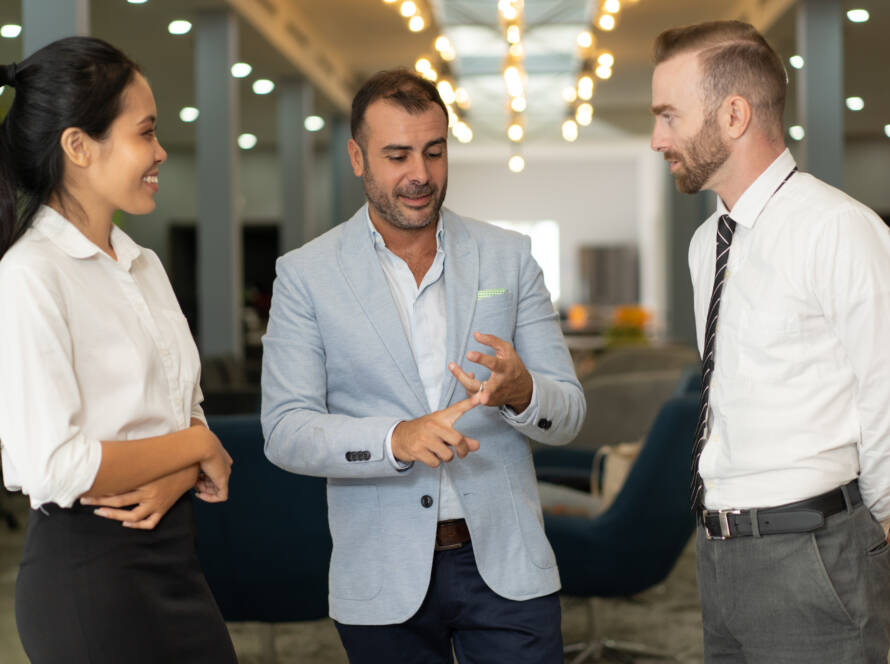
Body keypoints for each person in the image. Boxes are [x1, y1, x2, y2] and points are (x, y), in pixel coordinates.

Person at [261, 69, 585, 663]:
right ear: (357, 157)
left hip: (508, 570)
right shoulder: (306, 275)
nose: (420, 174)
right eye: (397, 155)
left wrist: (522, 392)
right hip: (382, 573)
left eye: (434, 152)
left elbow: (567, 412)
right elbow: (286, 431)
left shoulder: (508, 258)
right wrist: (395, 439)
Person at [650, 20, 890, 662]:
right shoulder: (708, 244)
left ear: (733, 114)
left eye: (669, 116)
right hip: (718, 553)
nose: (657, 139)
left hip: (812, 553)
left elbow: (886, 391)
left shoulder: (837, 228)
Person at [0, 37, 237, 663]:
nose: (160, 153)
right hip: (88, 577)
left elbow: (188, 414)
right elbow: (54, 465)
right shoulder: (29, 274)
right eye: (146, 134)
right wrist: (195, 448)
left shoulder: (143, 264)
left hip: (173, 555)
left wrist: (185, 462)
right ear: (78, 146)